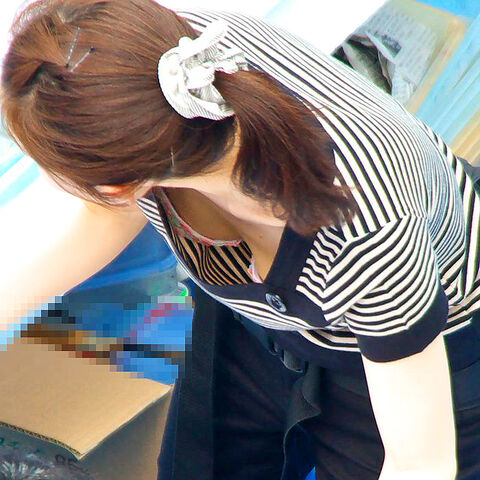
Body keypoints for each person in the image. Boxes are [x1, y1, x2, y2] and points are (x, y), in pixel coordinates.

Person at [1, 1, 480, 479]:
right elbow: (102, 217)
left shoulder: (371, 231)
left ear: (118, 185)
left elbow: (421, 464)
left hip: (420, 340)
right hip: (259, 315)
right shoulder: (160, 72)